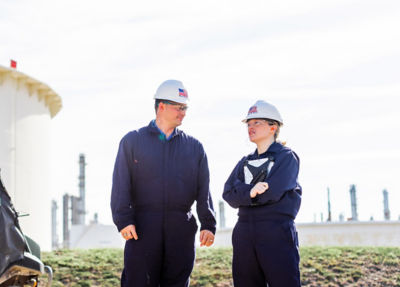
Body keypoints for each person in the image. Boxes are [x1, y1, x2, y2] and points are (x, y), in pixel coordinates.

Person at [111, 79, 216, 287]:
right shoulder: (132, 141)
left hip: (181, 229)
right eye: (180, 107)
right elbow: (121, 184)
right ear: (162, 106)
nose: (184, 113)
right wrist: (123, 219)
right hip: (142, 228)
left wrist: (208, 224)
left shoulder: (194, 148)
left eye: (186, 108)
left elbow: (203, 189)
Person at [223, 100, 302, 287]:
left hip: (275, 231)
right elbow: (228, 193)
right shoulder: (244, 161)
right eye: (248, 124)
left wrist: (244, 194)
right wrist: (250, 191)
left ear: (273, 127)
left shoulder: (286, 157)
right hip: (244, 233)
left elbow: (273, 192)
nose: (251, 127)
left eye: (257, 122)